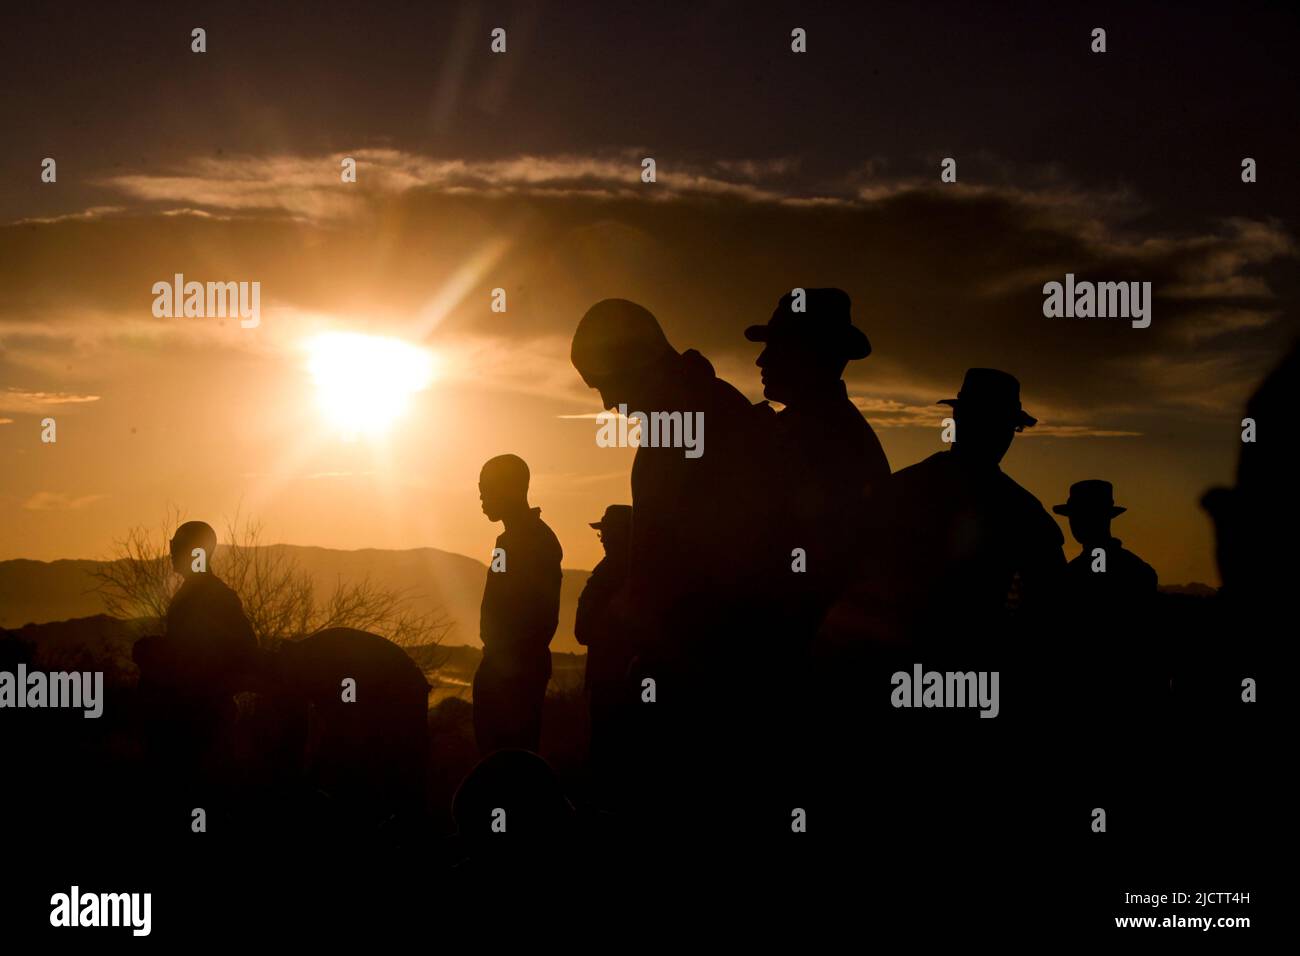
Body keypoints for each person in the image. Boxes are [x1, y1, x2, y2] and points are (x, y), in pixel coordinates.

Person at [745, 287, 890, 640]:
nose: (760, 361)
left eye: (775, 347)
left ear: (808, 355)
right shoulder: (819, 429)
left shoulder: (828, 440)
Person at [133, 520, 258, 804]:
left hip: (199, 723)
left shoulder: (213, 596)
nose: (171, 553)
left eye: (176, 546)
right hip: (186, 721)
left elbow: (244, 648)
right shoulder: (198, 593)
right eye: (172, 546)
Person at [473, 454, 562, 756]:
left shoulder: (536, 542)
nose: (481, 496)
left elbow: (540, 615)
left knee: (510, 761)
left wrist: (508, 660)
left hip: (515, 672)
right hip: (501, 666)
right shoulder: (507, 542)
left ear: (509, 488)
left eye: (486, 487)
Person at [573, 504, 632, 793]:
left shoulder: (613, 572)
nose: (603, 538)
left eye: (606, 532)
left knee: (608, 755)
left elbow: (585, 629)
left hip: (611, 680)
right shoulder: (623, 569)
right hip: (612, 678)